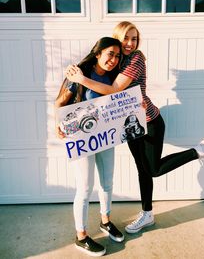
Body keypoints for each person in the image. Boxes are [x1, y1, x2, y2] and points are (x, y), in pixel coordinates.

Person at [65, 21, 204, 235]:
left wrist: (81, 78)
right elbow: (98, 77)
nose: (130, 43)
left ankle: (198, 151)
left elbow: (113, 89)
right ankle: (147, 214)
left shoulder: (136, 59)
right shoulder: (115, 60)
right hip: (130, 124)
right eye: (126, 39)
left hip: (148, 121)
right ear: (117, 40)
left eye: (134, 38)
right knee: (142, 170)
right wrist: (75, 74)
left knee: (153, 169)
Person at [55, 37, 124, 257]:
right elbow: (59, 103)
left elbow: (120, 98)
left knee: (107, 181)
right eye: (109, 54)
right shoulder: (77, 75)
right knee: (84, 188)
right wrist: (57, 123)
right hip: (80, 138)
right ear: (98, 53)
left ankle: (106, 221)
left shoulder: (114, 78)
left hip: (106, 136)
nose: (113, 60)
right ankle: (81, 236)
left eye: (117, 56)